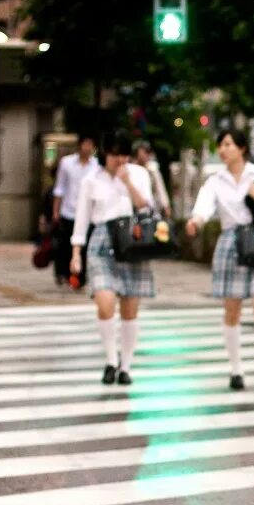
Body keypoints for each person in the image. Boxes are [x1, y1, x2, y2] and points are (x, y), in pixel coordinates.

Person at [185, 130, 254, 393]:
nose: (223, 149)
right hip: (231, 244)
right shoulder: (215, 180)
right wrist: (196, 221)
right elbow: (204, 207)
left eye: (228, 144)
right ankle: (236, 369)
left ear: (241, 148)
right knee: (232, 310)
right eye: (221, 145)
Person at [68, 132, 155, 386]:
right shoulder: (90, 180)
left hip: (132, 240)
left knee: (130, 308)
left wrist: (127, 182)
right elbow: (82, 219)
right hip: (102, 241)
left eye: (124, 155)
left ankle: (126, 365)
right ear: (105, 154)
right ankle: (110, 360)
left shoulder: (138, 174)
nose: (120, 160)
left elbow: (146, 207)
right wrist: (76, 254)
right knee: (105, 303)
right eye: (115, 154)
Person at [52, 134, 99, 287]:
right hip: (69, 210)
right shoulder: (66, 163)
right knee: (65, 245)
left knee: (84, 246)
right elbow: (60, 188)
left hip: (88, 213)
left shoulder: (96, 165)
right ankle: (65, 274)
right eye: (85, 143)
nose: (87, 147)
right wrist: (56, 211)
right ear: (79, 145)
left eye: (90, 144)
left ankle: (81, 276)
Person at [133, 139, 172, 218]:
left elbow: (160, 188)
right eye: (144, 152)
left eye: (147, 152)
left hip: (151, 208)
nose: (146, 155)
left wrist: (166, 205)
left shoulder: (152, 169)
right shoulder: (130, 169)